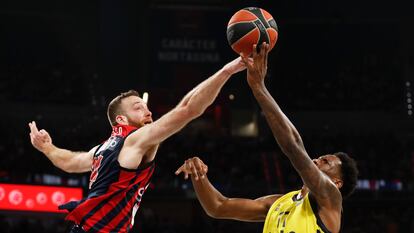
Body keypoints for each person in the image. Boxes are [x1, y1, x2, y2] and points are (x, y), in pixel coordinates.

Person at [28, 57, 246, 233]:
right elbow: (188, 109)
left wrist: (47, 147)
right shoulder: (134, 141)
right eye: (138, 108)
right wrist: (227, 71)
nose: (148, 112)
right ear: (121, 120)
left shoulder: (101, 149)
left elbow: (70, 162)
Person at [175, 43, 358, 233]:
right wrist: (198, 175)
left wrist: (258, 88)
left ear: (337, 183)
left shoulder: (331, 199)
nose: (316, 160)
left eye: (326, 162)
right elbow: (218, 206)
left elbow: (293, 146)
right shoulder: (278, 203)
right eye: (320, 158)